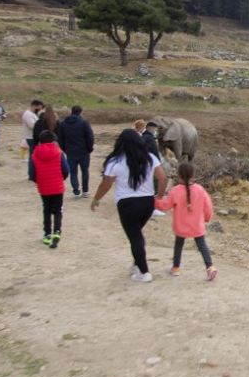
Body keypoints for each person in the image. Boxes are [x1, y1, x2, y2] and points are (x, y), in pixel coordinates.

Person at [91, 129, 167, 283]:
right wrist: (158, 196)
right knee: (137, 234)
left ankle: (144, 272)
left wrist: (96, 199)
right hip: (147, 202)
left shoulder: (115, 161)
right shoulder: (150, 158)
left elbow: (106, 184)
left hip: (127, 204)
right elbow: (163, 178)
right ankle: (137, 263)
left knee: (135, 237)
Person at [155, 161, 217, 281]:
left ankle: (176, 268)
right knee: (202, 246)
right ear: (193, 175)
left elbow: (165, 206)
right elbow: (208, 207)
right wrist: (206, 218)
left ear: (179, 175)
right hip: (197, 226)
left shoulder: (175, 190)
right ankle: (210, 267)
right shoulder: (200, 189)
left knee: (178, 245)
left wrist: (155, 201)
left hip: (180, 227)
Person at [30, 129, 69, 247]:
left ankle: (47, 234)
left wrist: (39, 180)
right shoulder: (59, 152)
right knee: (58, 210)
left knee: (46, 210)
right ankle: (57, 231)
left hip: (43, 187)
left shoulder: (35, 154)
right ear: (53, 141)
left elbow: (32, 173)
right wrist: (61, 178)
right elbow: (66, 170)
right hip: (57, 186)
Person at [56, 105, 95, 198]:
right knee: (85, 171)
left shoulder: (63, 124)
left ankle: (76, 191)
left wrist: (64, 149)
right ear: (80, 112)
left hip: (70, 152)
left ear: (71, 112)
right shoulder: (84, 123)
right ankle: (85, 191)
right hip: (83, 151)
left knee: (73, 172)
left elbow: (60, 139)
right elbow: (90, 137)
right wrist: (89, 148)